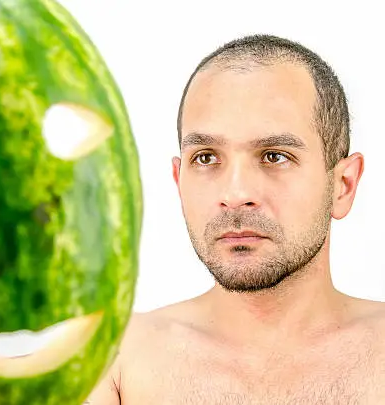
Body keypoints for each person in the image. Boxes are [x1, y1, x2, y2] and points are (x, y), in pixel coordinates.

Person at [85, 34, 385, 404]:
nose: (235, 194)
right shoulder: (115, 362)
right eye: (207, 158)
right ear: (179, 183)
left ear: (342, 185)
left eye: (275, 156)